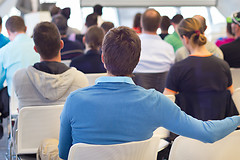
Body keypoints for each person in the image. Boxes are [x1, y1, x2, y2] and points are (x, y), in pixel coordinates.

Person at [58, 26, 240, 160]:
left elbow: (65, 154)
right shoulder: (154, 101)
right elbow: (208, 133)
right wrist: (237, 119)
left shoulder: (75, 100)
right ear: (137, 61)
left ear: (103, 58)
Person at [163, 17, 237, 120]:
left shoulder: (177, 69)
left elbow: (167, 101)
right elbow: (232, 96)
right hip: (218, 130)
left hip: (188, 130)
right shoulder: (223, 65)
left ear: (185, 38)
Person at [13, 22, 88, 110]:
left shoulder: (19, 78)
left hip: (33, 124)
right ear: (61, 44)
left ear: (35, 49)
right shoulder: (80, 80)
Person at [133, 9, 174, 92]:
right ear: (159, 25)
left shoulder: (132, 46)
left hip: (137, 99)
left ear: (141, 23)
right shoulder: (168, 48)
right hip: (163, 99)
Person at [0, 16, 40, 96]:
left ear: (8, 32)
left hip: (16, 102)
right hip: (40, 97)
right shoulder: (39, 46)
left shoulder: (5, 50)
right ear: (26, 28)